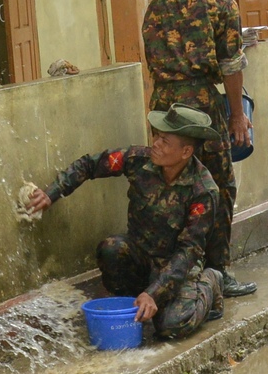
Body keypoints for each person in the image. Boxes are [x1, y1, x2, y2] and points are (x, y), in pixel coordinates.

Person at [20, 107, 227, 343]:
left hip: (176, 267)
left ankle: (211, 282)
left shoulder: (203, 191)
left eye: (165, 141)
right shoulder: (138, 160)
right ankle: (134, 304)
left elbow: (189, 251)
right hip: (141, 255)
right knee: (111, 249)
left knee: (171, 327)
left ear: (186, 151)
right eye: (157, 136)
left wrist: (154, 293)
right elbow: (89, 164)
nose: (156, 144)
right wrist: (52, 193)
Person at [140, 0, 254, 297]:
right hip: (203, 106)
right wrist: (237, 115)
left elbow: (152, 62)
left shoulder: (155, 9)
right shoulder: (223, 5)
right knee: (217, 185)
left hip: (163, 108)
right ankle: (218, 271)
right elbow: (231, 66)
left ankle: (167, 273)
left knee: (168, 186)